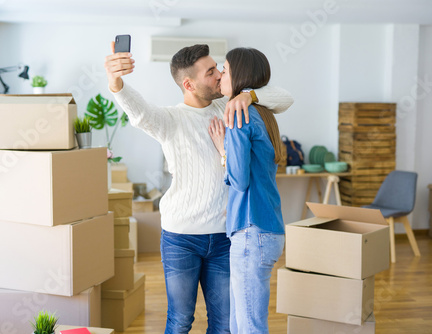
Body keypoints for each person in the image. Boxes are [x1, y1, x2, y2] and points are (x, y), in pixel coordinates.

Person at [105, 43, 293, 333]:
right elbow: (139, 113)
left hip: (224, 235)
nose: (219, 74)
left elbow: (284, 98)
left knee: (224, 323)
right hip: (182, 237)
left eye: (219, 67)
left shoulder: (231, 105)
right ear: (189, 84)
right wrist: (116, 82)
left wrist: (249, 95)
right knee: (180, 320)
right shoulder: (169, 120)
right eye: (210, 72)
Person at [208, 47, 286, 334]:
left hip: (251, 232)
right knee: (240, 323)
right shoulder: (262, 113)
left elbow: (239, 180)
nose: (220, 76)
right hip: (267, 230)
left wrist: (223, 152)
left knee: (249, 326)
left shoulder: (238, 114)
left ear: (239, 75)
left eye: (225, 70)